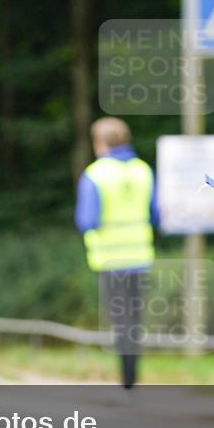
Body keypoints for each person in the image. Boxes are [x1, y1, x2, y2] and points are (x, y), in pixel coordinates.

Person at [75, 117, 159, 389]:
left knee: (119, 320)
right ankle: (132, 378)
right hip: (140, 257)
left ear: (100, 143)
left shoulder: (95, 174)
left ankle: (126, 380)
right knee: (134, 319)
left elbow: (87, 220)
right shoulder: (142, 170)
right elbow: (155, 214)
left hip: (110, 259)